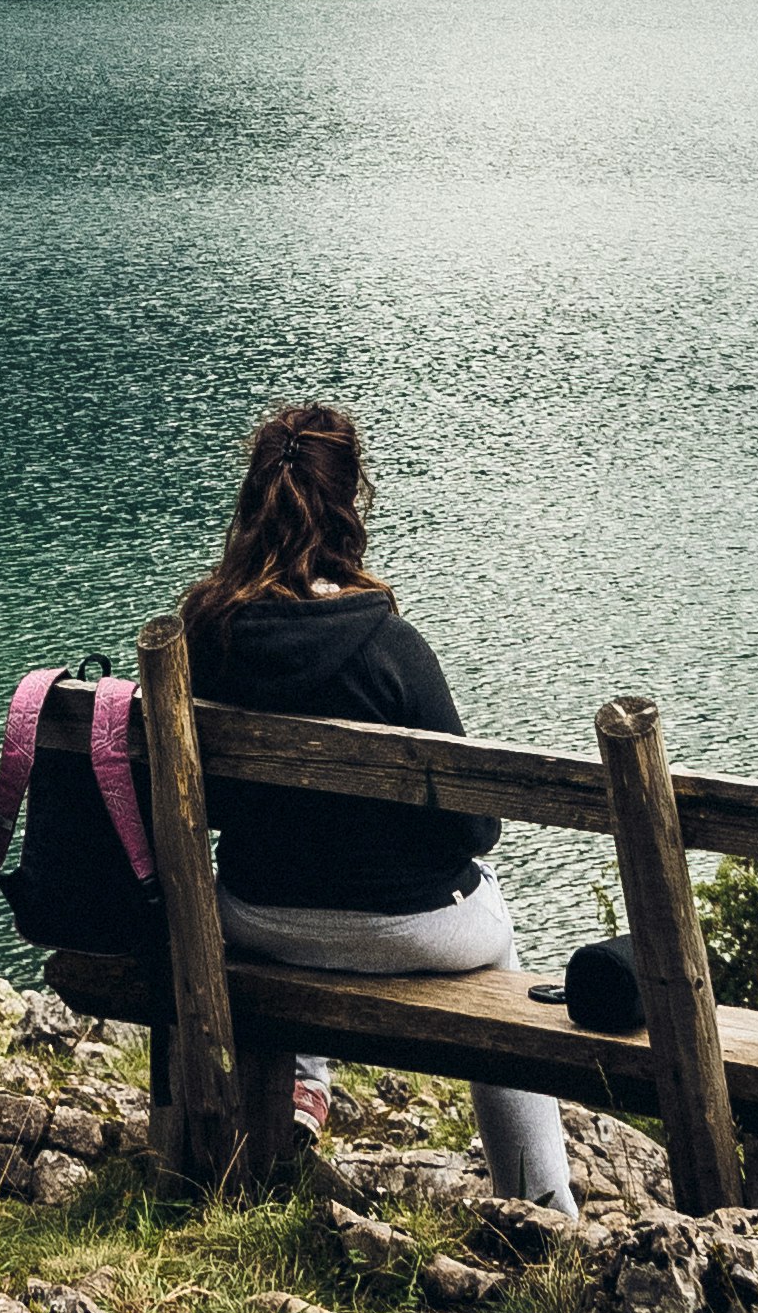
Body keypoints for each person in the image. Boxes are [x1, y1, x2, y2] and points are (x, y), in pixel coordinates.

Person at [183, 395, 575, 1213]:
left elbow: (205, 806)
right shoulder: (387, 645)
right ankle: (540, 1204)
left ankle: (301, 1088)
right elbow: (477, 825)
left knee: (309, 882)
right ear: (352, 504)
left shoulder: (203, 631)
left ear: (253, 503)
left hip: (253, 912)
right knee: (498, 948)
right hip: (409, 933)